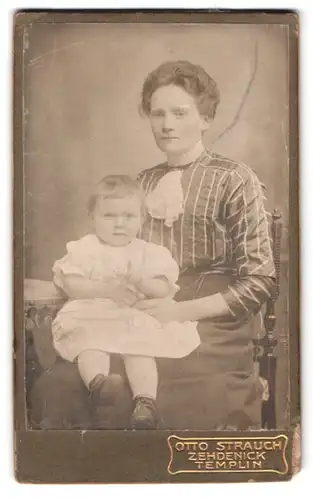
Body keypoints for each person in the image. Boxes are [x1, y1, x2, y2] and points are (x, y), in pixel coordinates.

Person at [133, 60, 276, 430]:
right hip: (146, 311)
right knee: (79, 379)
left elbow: (260, 282)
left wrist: (179, 312)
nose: (166, 125)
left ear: (206, 118)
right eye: (157, 113)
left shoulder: (234, 178)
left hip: (215, 325)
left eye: (180, 113)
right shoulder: (141, 181)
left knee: (192, 386)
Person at [50, 174, 200, 429]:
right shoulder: (84, 249)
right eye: (109, 216)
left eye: (128, 217)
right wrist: (108, 289)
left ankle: (145, 402)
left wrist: (144, 282)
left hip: (132, 314)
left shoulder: (148, 252)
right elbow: (72, 284)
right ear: (92, 216)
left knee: (139, 349)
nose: (119, 224)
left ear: (142, 218)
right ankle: (99, 385)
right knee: (89, 343)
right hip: (92, 312)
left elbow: (163, 288)